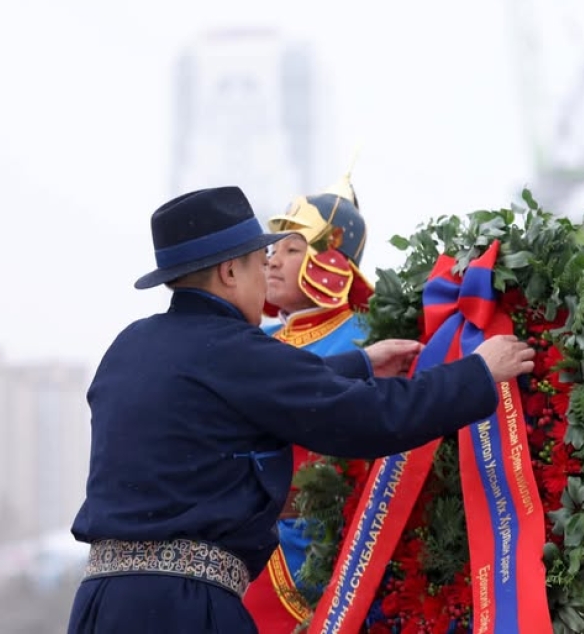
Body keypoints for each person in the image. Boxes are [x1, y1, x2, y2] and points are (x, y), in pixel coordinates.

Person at [67, 185, 534, 634]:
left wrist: (359, 364)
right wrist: (476, 373)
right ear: (229, 273)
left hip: (98, 605)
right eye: (260, 262)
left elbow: (227, 392)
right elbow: (370, 419)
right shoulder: (234, 349)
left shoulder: (129, 347)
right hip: (185, 610)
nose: (267, 275)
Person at [242, 171, 378, 632]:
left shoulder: (368, 338)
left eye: (292, 249)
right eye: (273, 250)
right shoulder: (253, 341)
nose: (272, 261)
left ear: (331, 258)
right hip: (255, 547)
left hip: (341, 546)